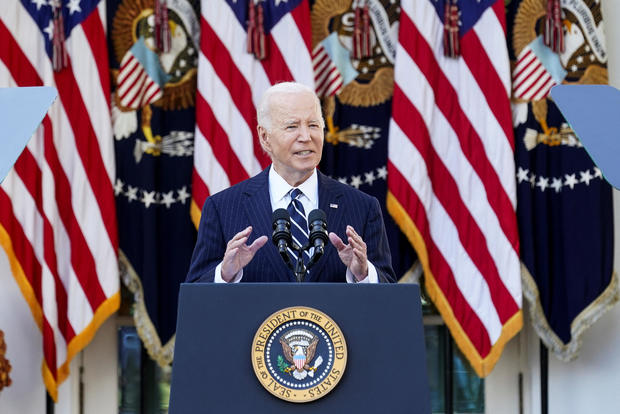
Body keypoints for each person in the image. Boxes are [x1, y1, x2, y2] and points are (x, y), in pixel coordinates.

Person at [186, 82, 395, 284]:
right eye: (292, 126)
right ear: (265, 137)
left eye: (313, 125)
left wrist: (364, 274)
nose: (306, 136)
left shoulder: (362, 207)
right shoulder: (223, 208)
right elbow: (196, 297)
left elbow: (389, 299)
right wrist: (225, 274)